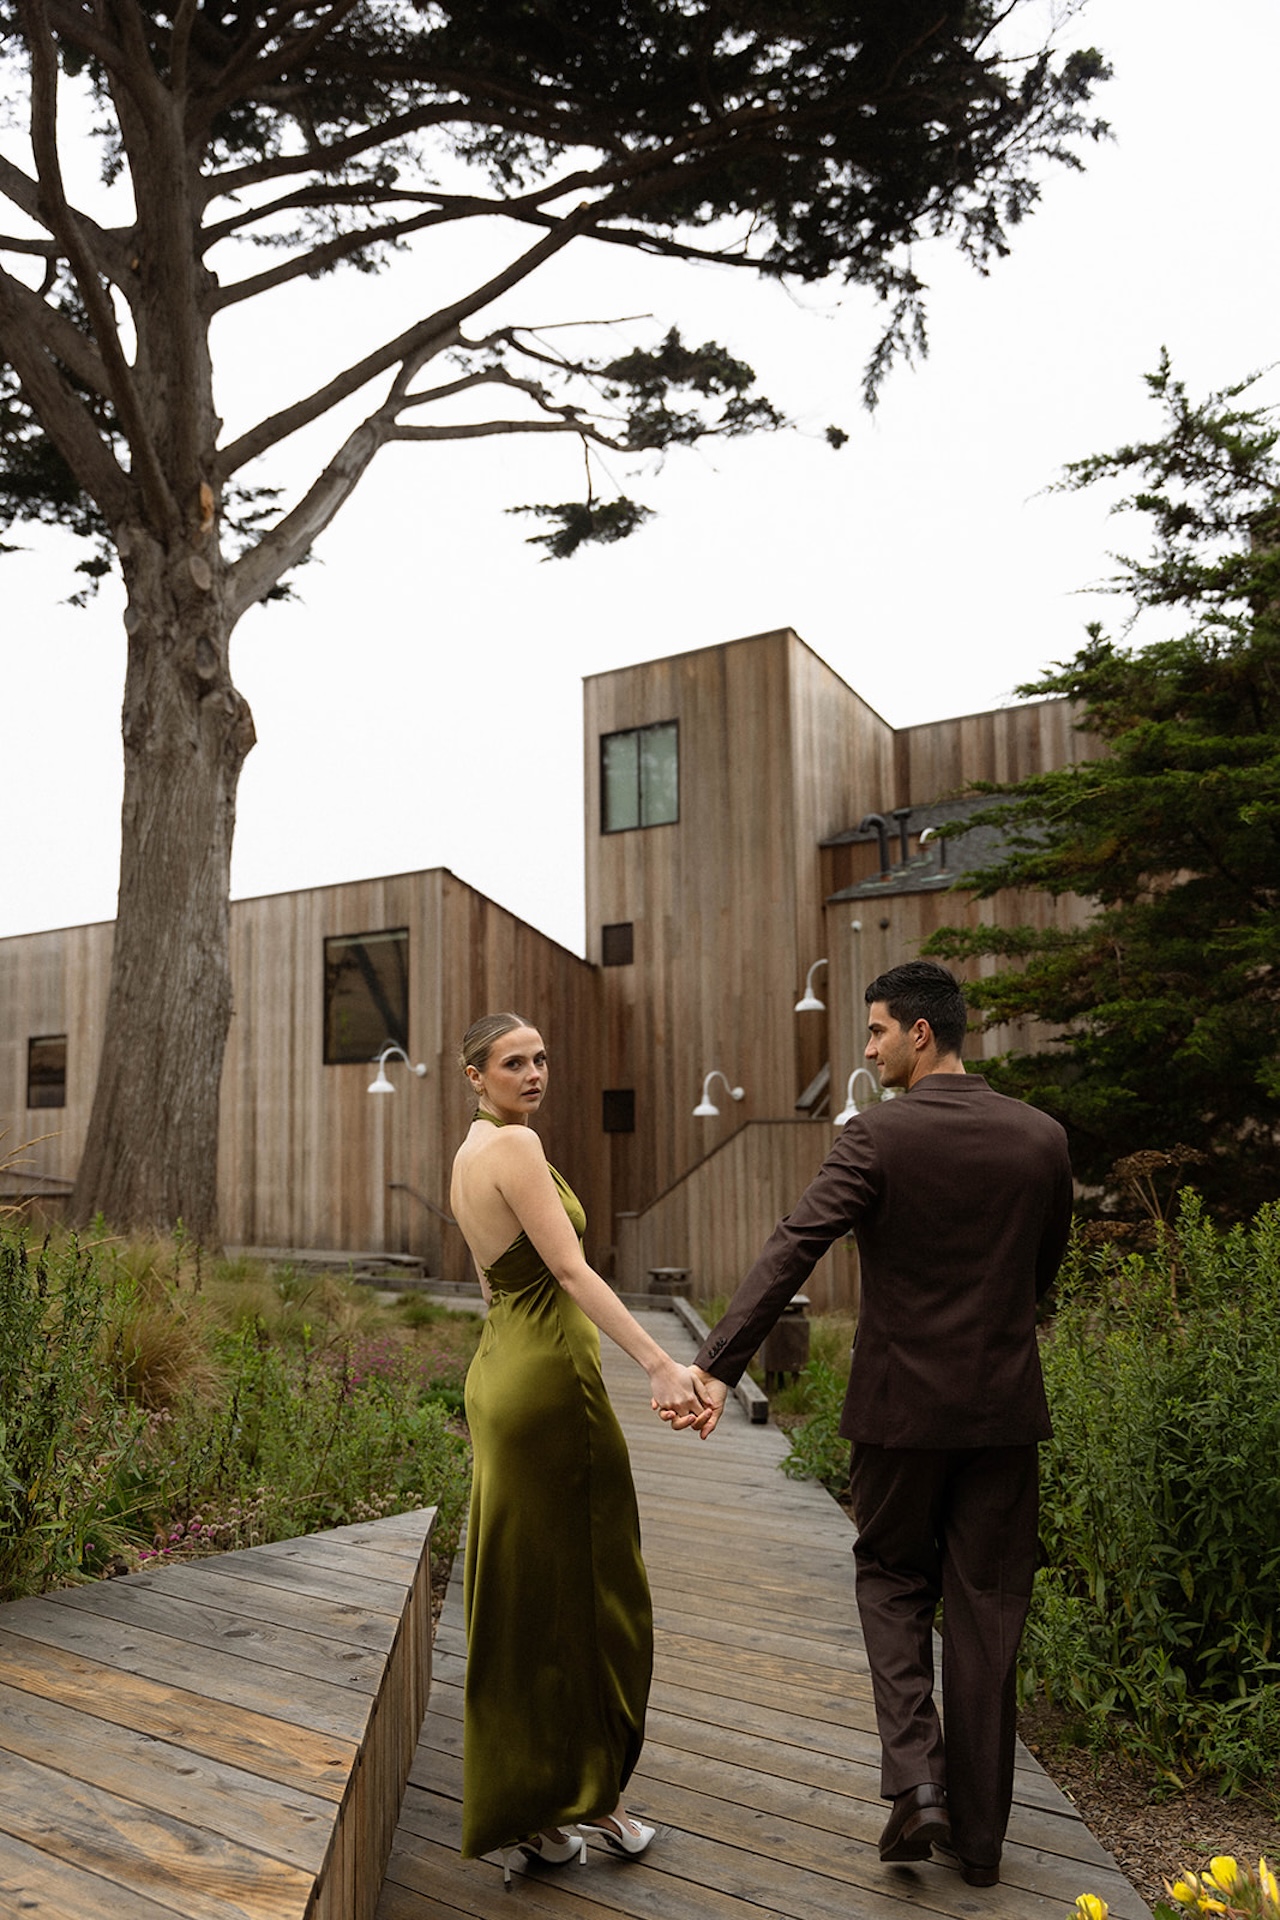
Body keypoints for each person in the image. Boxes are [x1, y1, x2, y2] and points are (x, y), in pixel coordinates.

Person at [684, 960, 1073, 1888]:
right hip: (1002, 1412)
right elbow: (1043, 1271)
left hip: (900, 1414)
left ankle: (916, 1786)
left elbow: (793, 1247)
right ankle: (981, 1846)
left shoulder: (875, 1138)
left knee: (893, 1580)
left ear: (921, 1034)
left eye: (875, 1033)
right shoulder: (1041, 1139)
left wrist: (712, 1367)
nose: (868, 1050)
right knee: (989, 1608)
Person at [450, 1011, 710, 1881]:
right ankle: (596, 1799)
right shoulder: (516, 1151)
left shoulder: (472, 1152)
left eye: (541, 1058)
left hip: (499, 1375)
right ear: (475, 1076)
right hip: (552, 1386)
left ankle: (536, 1811)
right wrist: (661, 1364)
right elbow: (568, 1271)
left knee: (524, 1595)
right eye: (513, 1063)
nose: (534, 1074)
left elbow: (499, 1287)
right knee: (593, 1593)